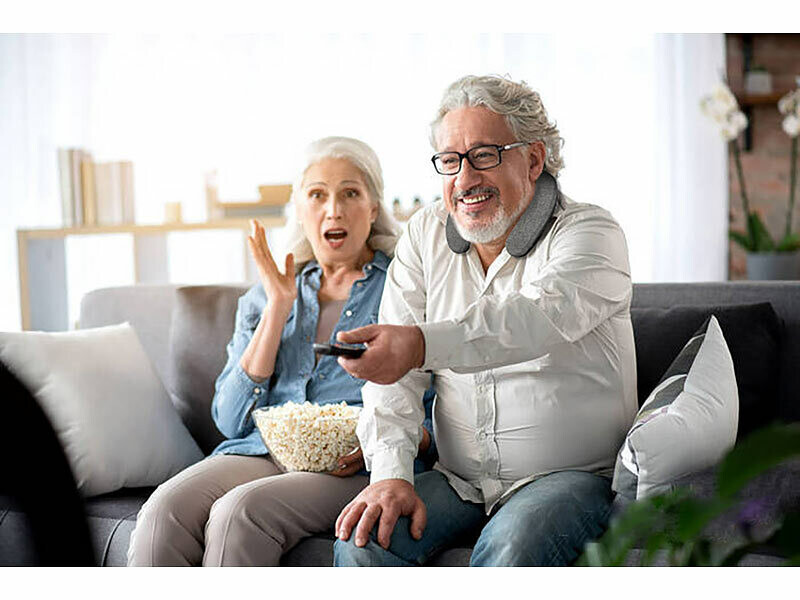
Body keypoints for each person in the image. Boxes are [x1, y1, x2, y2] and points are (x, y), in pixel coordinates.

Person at [332, 75, 637, 567]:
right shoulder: (425, 233)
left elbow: (531, 319)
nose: (464, 179)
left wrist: (419, 345)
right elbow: (395, 379)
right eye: (450, 160)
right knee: (365, 540)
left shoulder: (591, 233)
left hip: (569, 479)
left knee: (513, 545)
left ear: (533, 159)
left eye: (484, 155)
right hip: (460, 481)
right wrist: (390, 475)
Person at [127, 137, 436, 566]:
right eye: (317, 195)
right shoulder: (266, 296)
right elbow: (230, 420)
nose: (334, 210)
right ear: (300, 210)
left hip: (355, 464)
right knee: (164, 510)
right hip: (264, 451)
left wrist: (391, 441)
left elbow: (438, 411)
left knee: (238, 514)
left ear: (373, 208)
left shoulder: (404, 288)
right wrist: (277, 308)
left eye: (350, 193)